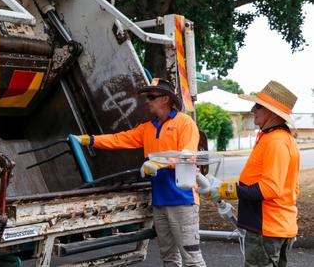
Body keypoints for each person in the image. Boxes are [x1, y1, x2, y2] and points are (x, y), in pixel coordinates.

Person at [74, 78, 206, 267]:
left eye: (151, 96)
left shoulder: (184, 123)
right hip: (160, 202)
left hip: (183, 201)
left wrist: (158, 164)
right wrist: (90, 140)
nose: (147, 100)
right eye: (147, 96)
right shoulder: (148, 128)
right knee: (169, 258)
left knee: (192, 259)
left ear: (166, 99)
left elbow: (188, 156)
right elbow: (120, 139)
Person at [201, 81, 300, 267]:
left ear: (271, 112)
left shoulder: (275, 141)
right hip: (274, 227)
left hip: (267, 229)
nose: (252, 109)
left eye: (258, 105)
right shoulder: (276, 138)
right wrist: (224, 186)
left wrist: (226, 191)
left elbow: (270, 188)